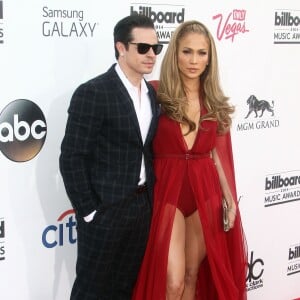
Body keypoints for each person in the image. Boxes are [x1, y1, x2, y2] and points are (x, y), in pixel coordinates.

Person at [132, 20, 248, 300]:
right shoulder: (155, 93)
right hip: (167, 191)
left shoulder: (214, 101)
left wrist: (230, 200)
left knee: (191, 274)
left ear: (210, 58)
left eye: (201, 53)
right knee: (172, 281)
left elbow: (217, 154)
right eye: (187, 52)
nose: (194, 60)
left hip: (204, 192)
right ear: (175, 53)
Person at [59, 14, 163, 300]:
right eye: (142, 47)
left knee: (124, 289)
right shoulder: (94, 92)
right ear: (121, 48)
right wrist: (90, 211)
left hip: (142, 208)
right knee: (91, 290)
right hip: (106, 211)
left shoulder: (152, 95)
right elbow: (71, 158)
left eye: (156, 47)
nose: (151, 54)